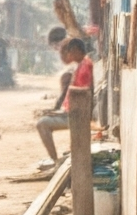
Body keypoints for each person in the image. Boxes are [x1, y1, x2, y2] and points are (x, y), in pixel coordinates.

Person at [33, 37, 95, 166]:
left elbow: (85, 91)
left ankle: (55, 160)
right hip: (70, 111)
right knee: (44, 118)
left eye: (70, 52)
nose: (69, 55)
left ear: (77, 50)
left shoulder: (85, 65)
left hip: (76, 114)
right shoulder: (81, 65)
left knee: (42, 124)